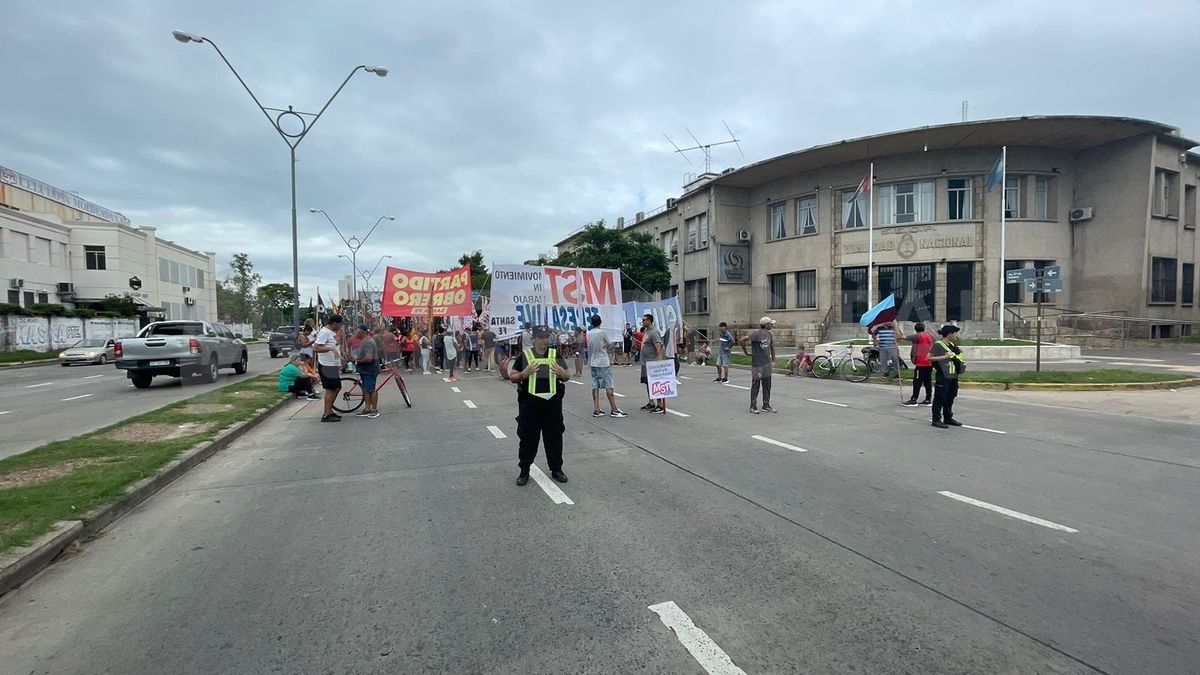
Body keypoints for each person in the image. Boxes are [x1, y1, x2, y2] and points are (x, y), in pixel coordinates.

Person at [509, 325, 571, 486]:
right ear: (534, 338)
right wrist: (524, 373)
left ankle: (557, 469)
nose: (544, 340)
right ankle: (524, 470)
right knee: (528, 440)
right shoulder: (526, 356)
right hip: (530, 406)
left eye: (546, 337)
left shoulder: (554, 354)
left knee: (555, 439)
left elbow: (567, 375)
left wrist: (561, 373)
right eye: (541, 337)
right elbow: (513, 376)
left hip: (552, 406)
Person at [586, 315, 627, 419]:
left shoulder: (589, 333)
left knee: (595, 385)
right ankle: (614, 409)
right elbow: (610, 344)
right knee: (609, 384)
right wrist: (606, 345)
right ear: (600, 322)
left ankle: (597, 409)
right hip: (603, 362)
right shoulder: (602, 333)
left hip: (593, 361)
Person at [928, 323, 966, 428]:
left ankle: (948, 417)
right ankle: (936, 419)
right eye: (955, 333)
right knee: (940, 397)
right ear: (949, 334)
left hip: (953, 375)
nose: (956, 335)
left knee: (950, 397)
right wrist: (943, 357)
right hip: (943, 376)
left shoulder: (952, 345)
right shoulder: (937, 345)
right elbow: (929, 358)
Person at [313, 315, 346, 422]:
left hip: (332, 364)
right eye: (340, 324)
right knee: (330, 389)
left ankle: (329, 410)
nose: (340, 327)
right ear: (335, 323)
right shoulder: (324, 332)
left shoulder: (331, 333)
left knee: (336, 388)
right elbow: (316, 348)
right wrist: (331, 348)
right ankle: (326, 414)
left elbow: (335, 345)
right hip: (326, 365)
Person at [741, 317, 777, 413]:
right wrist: (746, 352)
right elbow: (742, 340)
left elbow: (772, 347)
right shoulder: (756, 334)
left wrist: (773, 360)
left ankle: (766, 405)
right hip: (757, 364)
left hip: (767, 364)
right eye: (770, 323)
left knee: (767, 385)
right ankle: (753, 406)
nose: (771, 325)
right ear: (765, 325)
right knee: (756, 384)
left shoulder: (769, 334)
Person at [638, 313, 666, 414]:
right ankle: (651, 402)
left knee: (655, 383)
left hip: (652, 362)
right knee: (647, 383)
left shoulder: (654, 332)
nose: (643, 321)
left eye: (644, 319)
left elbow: (658, 348)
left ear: (649, 321)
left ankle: (660, 404)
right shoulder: (646, 331)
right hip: (645, 362)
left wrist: (659, 362)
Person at [351, 324, 381, 418]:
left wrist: (356, 360)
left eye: (357, 330)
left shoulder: (368, 342)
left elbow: (368, 358)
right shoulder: (365, 341)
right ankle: (367, 409)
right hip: (365, 369)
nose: (355, 331)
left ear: (363, 331)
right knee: (366, 390)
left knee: (371, 389)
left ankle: (374, 409)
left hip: (369, 369)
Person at [901, 322, 934, 406]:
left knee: (917, 381)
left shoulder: (917, 336)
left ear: (915, 329)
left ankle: (914, 399)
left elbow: (902, 337)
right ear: (924, 328)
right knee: (928, 381)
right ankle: (928, 399)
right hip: (930, 362)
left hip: (921, 362)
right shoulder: (930, 336)